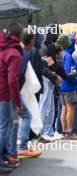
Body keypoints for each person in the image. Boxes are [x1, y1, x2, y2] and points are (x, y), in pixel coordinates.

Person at [0, 23, 23, 174]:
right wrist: (17, 102)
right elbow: (12, 80)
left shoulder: (4, 48)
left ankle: (2, 159)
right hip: (4, 94)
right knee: (3, 128)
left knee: (3, 127)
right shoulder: (14, 53)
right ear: (20, 36)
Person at [17, 31, 42, 157]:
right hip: (12, 91)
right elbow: (18, 76)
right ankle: (22, 147)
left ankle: (10, 150)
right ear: (32, 40)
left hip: (10, 91)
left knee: (11, 121)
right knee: (26, 116)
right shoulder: (25, 54)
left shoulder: (16, 51)